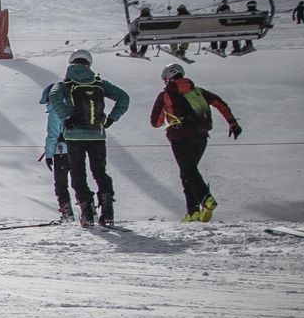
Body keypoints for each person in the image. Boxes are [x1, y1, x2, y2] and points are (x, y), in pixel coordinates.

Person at [48, 49, 130, 227]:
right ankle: (107, 211)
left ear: (71, 63)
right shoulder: (99, 83)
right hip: (97, 135)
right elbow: (123, 97)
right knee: (100, 172)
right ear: (89, 64)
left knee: (78, 173)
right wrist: (110, 120)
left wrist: (66, 118)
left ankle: (86, 213)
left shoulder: (64, 84)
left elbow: (53, 96)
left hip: (74, 136)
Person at [149, 63, 240, 221]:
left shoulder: (166, 94)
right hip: (201, 136)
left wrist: (167, 118)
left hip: (180, 138)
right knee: (188, 171)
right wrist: (232, 122)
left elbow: (155, 122)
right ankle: (193, 212)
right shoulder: (199, 91)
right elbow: (220, 104)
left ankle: (206, 199)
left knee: (188, 171)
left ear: (168, 78)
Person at [39, 84, 72, 220]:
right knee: (78, 181)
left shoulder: (54, 112)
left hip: (61, 152)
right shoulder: (71, 108)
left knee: (61, 183)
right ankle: (88, 209)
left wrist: (48, 155)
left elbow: (52, 135)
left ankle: (67, 213)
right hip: (76, 149)